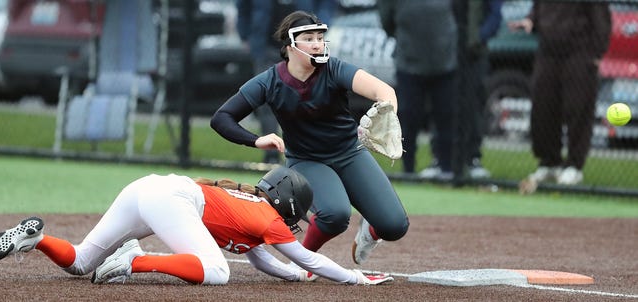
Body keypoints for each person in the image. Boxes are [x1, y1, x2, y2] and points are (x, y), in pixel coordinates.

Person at [210, 11, 409, 265]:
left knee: (394, 226)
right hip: (306, 160)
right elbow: (222, 118)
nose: (317, 43)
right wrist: (256, 140)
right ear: (290, 45)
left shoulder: (333, 68)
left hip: (349, 152)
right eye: (309, 38)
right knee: (334, 215)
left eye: (319, 37)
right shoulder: (270, 80)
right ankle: (303, 261)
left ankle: (370, 228)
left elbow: (384, 90)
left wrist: (387, 109)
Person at [0, 167, 393, 285]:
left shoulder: (250, 208)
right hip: (171, 199)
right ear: (289, 204)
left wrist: (295, 277)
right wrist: (354, 279)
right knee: (216, 272)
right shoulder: (268, 218)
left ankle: (37, 238)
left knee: (80, 262)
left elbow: (265, 262)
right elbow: (304, 256)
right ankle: (134, 262)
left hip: (147, 187)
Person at [509, 2, 611, 186]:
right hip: (548, 52)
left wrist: (597, 52)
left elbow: (601, 19)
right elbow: (538, 9)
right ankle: (549, 162)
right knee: (543, 106)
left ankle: (574, 166)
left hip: (579, 52)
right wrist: (530, 21)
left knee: (577, 108)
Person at [377, 1, 458, 180]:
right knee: (408, 118)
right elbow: (387, 21)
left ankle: (446, 167)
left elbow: (458, 15)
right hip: (409, 64)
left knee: (446, 115)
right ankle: (408, 170)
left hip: (444, 63)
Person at [236, 0, 295, 164]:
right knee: (266, 101)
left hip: (298, 48)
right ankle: (271, 155)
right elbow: (243, 7)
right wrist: (245, 34)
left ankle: (298, 154)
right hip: (265, 47)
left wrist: (320, 25)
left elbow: (327, 4)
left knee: (298, 99)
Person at [451, 0, 503, 181]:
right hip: (450, 50)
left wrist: (478, 37)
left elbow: (495, 16)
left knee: (473, 106)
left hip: (475, 54)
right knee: (448, 105)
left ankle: (472, 158)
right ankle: (445, 160)